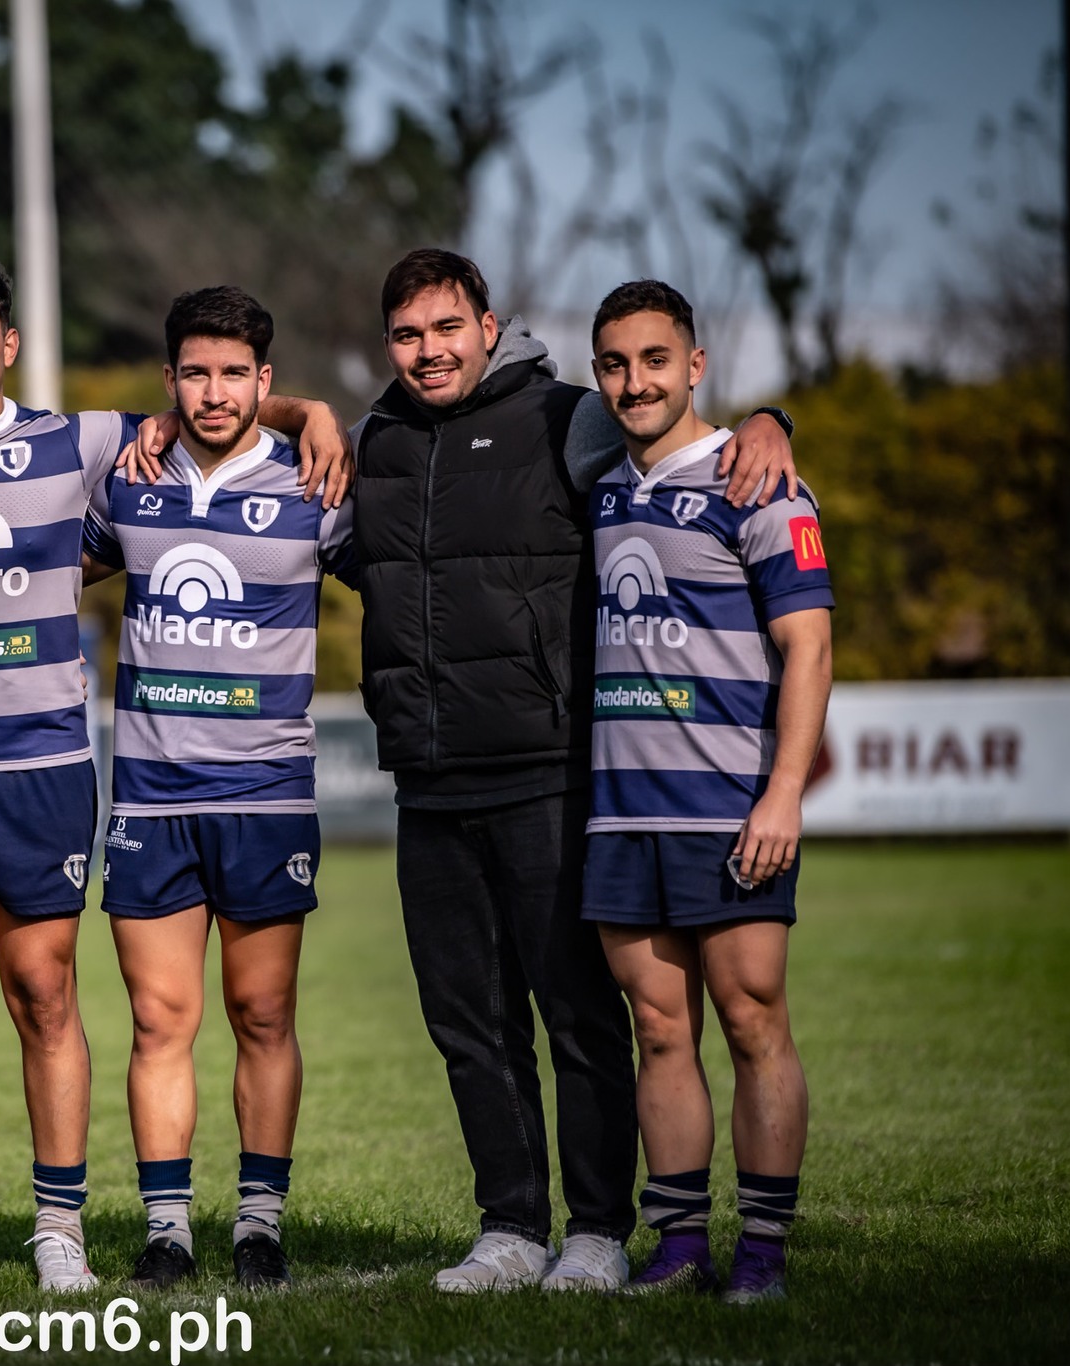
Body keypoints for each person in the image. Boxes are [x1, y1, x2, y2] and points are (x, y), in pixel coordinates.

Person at [0, 252, 351, 1293]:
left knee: (49, 994)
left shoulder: (85, 441)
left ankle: (69, 1228)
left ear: (9, 345)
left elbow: (241, 401)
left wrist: (314, 410)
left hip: (52, 768)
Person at [350, 248, 800, 1293]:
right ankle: (509, 1227)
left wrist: (773, 416)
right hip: (426, 777)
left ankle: (597, 1229)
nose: (428, 350)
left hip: (552, 772)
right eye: (407, 335)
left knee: (583, 1017)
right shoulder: (369, 440)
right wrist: (299, 414)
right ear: (389, 347)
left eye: (445, 327)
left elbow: (676, 422)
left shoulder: (566, 417)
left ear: (486, 324)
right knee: (468, 1021)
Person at [82, 287, 358, 1292]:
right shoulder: (128, 480)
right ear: (168, 381)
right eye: (193, 372)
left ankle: (257, 1226)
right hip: (152, 796)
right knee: (160, 1021)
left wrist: (317, 418)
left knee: (262, 1016)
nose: (212, 390)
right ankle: (165, 1232)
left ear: (264, 382)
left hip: (267, 794)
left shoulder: (314, 481)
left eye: (233, 373)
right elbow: (43, 570)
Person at [580, 280, 830, 1304]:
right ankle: (679, 1247)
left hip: (726, 809)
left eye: (651, 359)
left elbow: (806, 647)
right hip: (619, 811)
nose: (631, 381)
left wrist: (780, 795)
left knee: (751, 1016)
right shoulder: (597, 486)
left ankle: (760, 1258)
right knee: (658, 1028)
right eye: (611, 363)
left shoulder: (761, 483)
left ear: (694, 365)